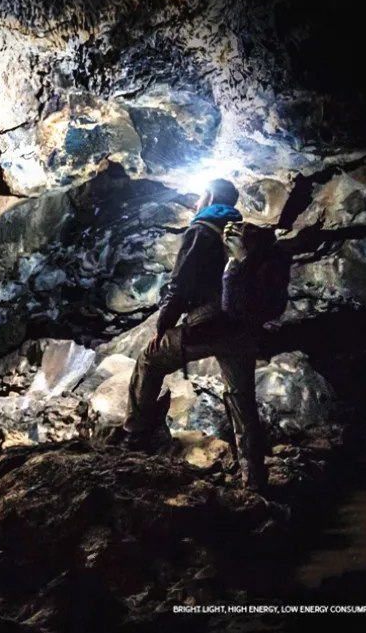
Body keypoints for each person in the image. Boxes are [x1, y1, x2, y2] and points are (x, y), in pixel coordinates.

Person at [104, 178, 268, 492]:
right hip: (242, 328)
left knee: (150, 359)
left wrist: (163, 326)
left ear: (210, 197)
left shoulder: (201, 230)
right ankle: (255, 480)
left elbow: (179, 285)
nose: (195, 203)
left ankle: (134, 435)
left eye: (199, 196)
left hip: (209, 324)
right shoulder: (242, 237)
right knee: (242, 400)